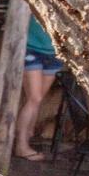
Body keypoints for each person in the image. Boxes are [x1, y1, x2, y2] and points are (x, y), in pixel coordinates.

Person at [14, 15, 62, 161]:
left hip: (54, 52)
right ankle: (21, 146)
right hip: (31, 48)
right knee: (35, 98)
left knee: (35, 99)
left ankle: (25, 133)